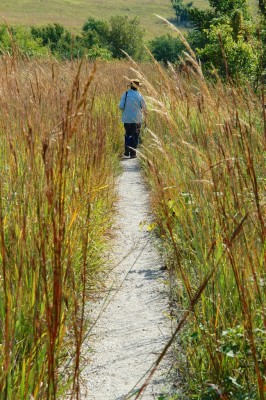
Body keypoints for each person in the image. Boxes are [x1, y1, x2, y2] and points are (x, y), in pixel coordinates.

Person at [119, 78, 147, 158]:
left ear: (130, 86)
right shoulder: (140, 96)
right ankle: (133, 153)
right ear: (138, 87)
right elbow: (145, 108)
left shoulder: (126, 94)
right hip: (137, 119)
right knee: (135, 135)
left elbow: (121, 106)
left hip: (127, 118)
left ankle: (127, 150)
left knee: (128, 133)